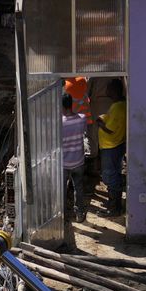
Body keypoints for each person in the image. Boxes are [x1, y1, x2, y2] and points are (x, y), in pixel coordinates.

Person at [96, 79, 127, 216]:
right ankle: (114, 205)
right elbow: (110, 118)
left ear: (114, 91)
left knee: (110, 176)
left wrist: (100, 124)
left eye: (108, 88)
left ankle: (114, 209)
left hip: (111, 146)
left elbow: (110, 129)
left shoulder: (117, 107)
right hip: (116, 145)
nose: (106, 91)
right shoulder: (120, 105)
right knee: (114, 174)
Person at [61, 93, 88, 223]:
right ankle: (79, 214)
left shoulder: (59, 123)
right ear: (71, 104)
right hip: (78, 161)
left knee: (62, 190)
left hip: (64, 163)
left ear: (61, 106)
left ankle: (62, 215)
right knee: (79, 188)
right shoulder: (82, 118)